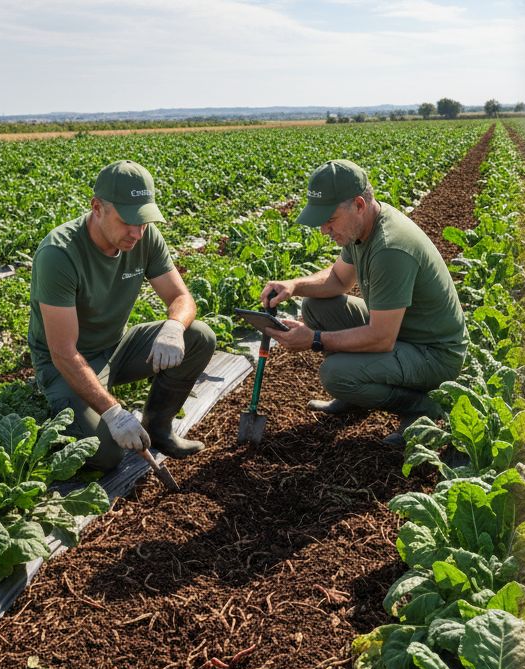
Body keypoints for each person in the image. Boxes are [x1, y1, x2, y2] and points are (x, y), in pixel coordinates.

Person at [259, 159, 466, 445]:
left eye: (329, 220)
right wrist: (293, 286)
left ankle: (422, 408)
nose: (323, 230)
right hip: (402, 334)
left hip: (433, 354)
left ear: (358, 204)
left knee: (335, 374)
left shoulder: (390, 248)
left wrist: (314, 339)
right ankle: (354, 396)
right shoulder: (361, 228)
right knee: (316, 305)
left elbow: (381, 338)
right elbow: (337, 281)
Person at [28, 160, 216, 470]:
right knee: (106, 455)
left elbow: (181, 297)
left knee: (199, 337)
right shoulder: (59, 254)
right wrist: (114, 413)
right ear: (97, 208)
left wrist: (173, 327)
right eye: (127, 220)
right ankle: (62, 408)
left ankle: (158, 429)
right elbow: (63, 352)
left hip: (116, 346)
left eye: (143, 221)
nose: (137, 232)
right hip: (66, 363)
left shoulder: (144, 237)